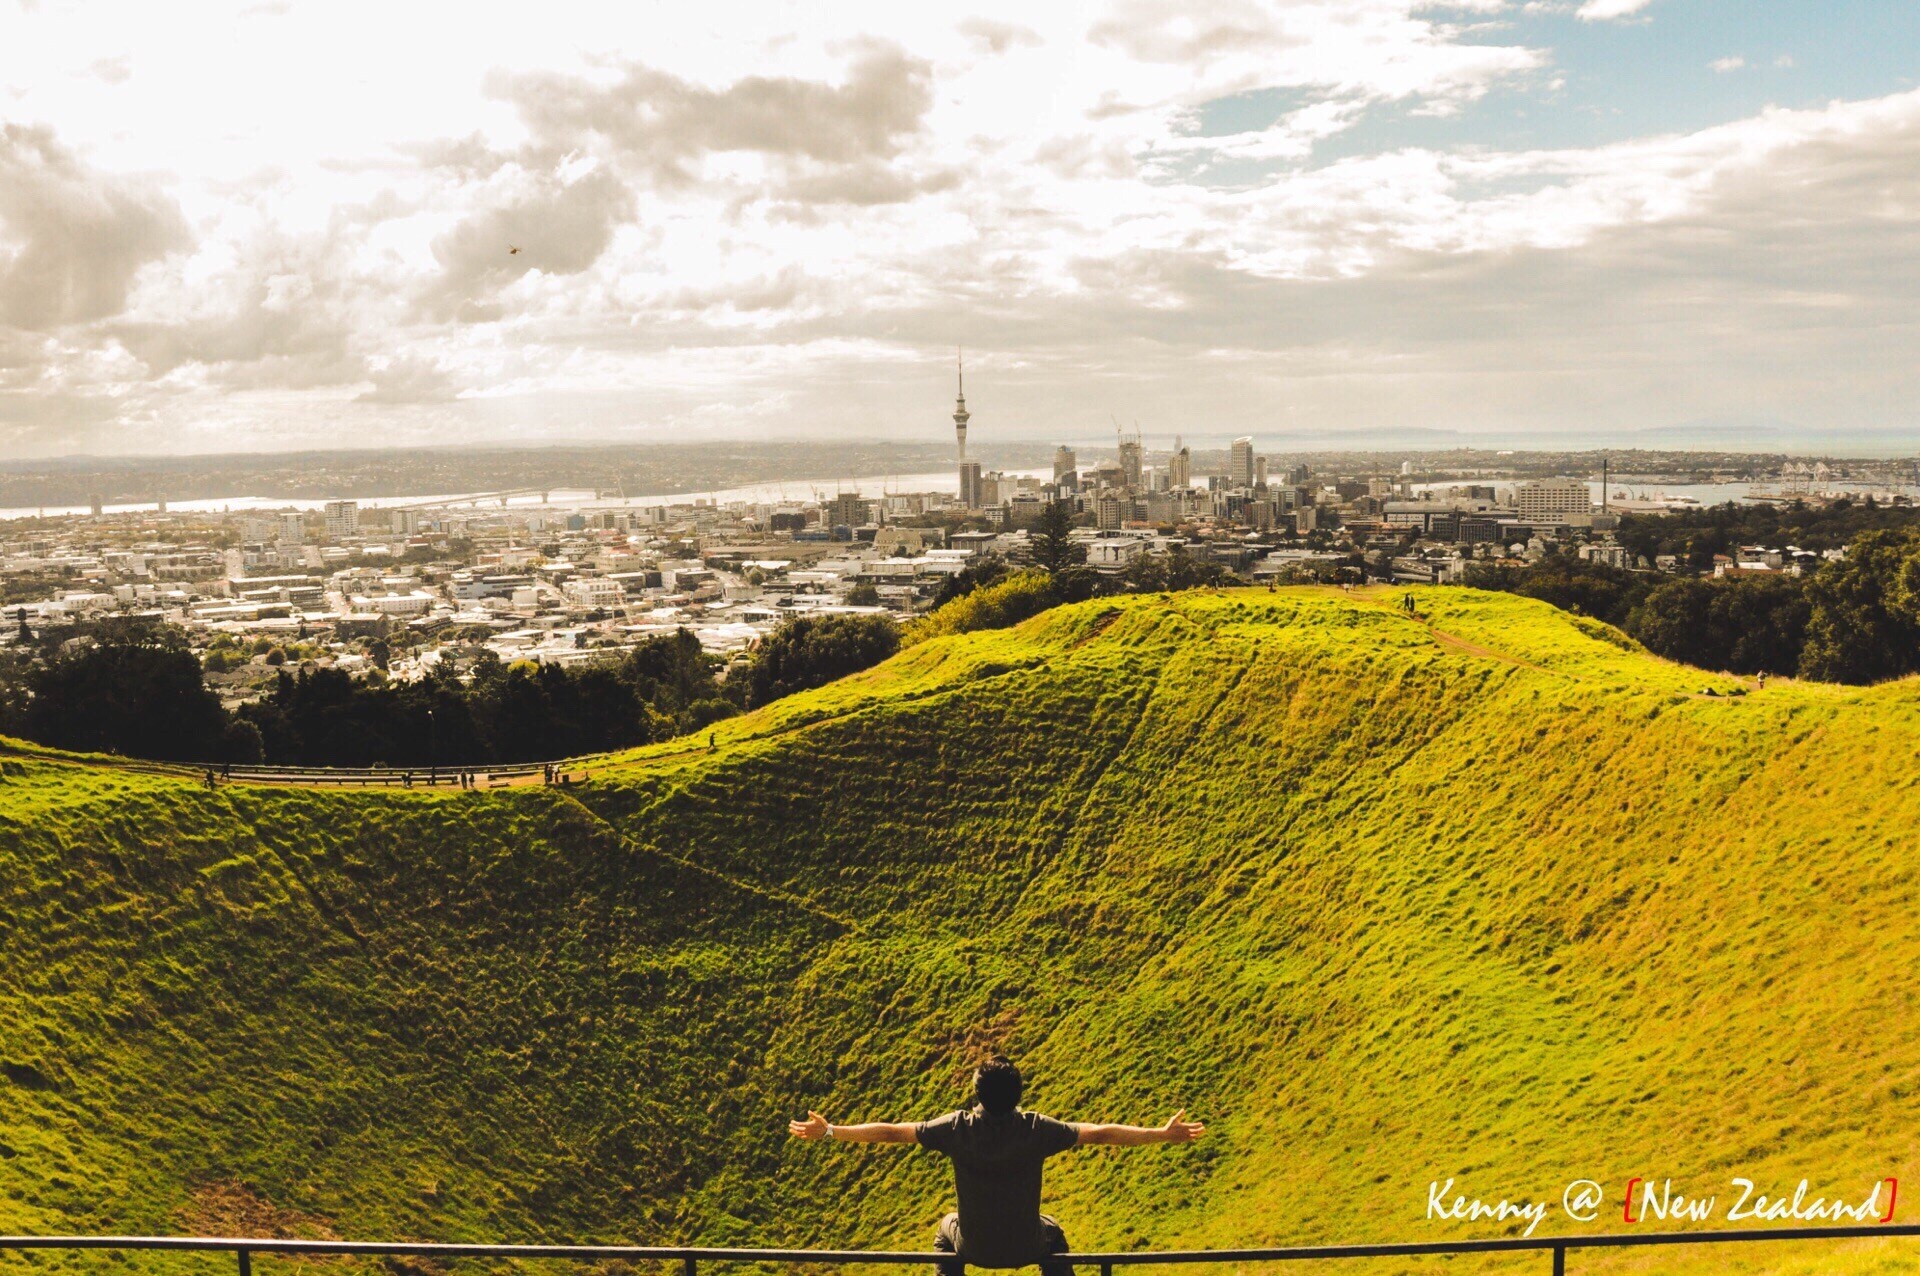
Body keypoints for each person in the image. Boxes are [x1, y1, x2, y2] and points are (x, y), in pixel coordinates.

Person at [788, 1056, 1204, 1276]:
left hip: (975, 1249)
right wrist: (1161, 1134)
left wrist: (831, 1131)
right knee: (1053, 1228)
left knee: (945, 1224)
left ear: (979, 1094)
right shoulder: (1037, 1128)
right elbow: (1100, 1133)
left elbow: (894, 1132)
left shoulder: (957, 1128)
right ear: (1018, 1093)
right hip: (1027, 1247)